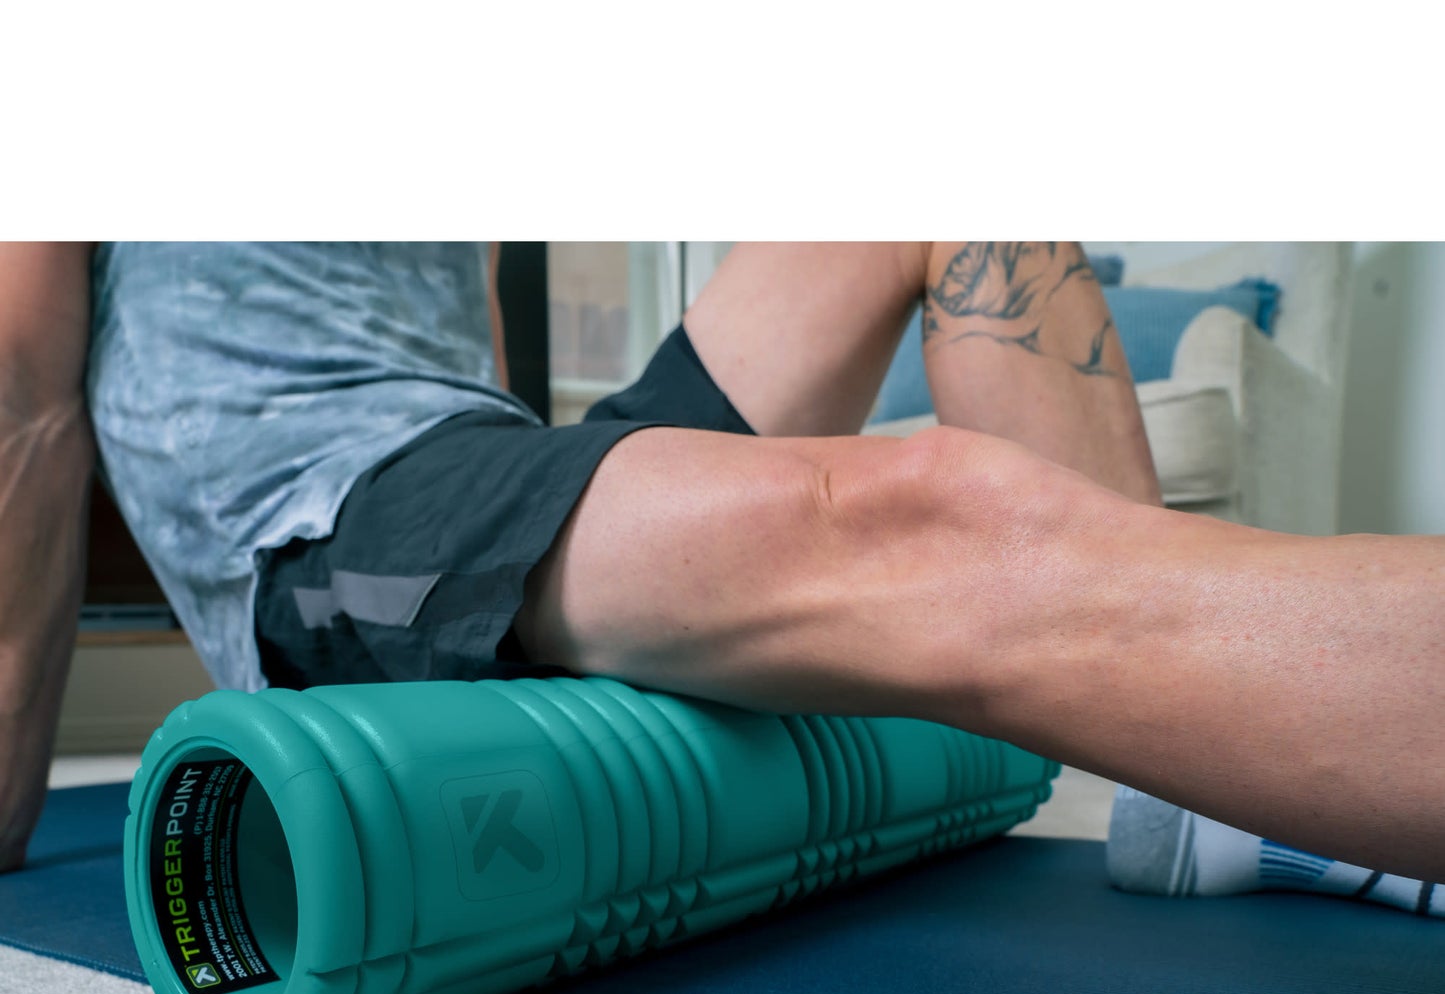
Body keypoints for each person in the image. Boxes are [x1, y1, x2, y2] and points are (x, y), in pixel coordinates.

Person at [2, 241, 1442, 900]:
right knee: (928, 519)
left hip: (477, 463)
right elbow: (25, 392)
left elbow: (469, 372)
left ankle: (1175, 795)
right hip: (328, 521)